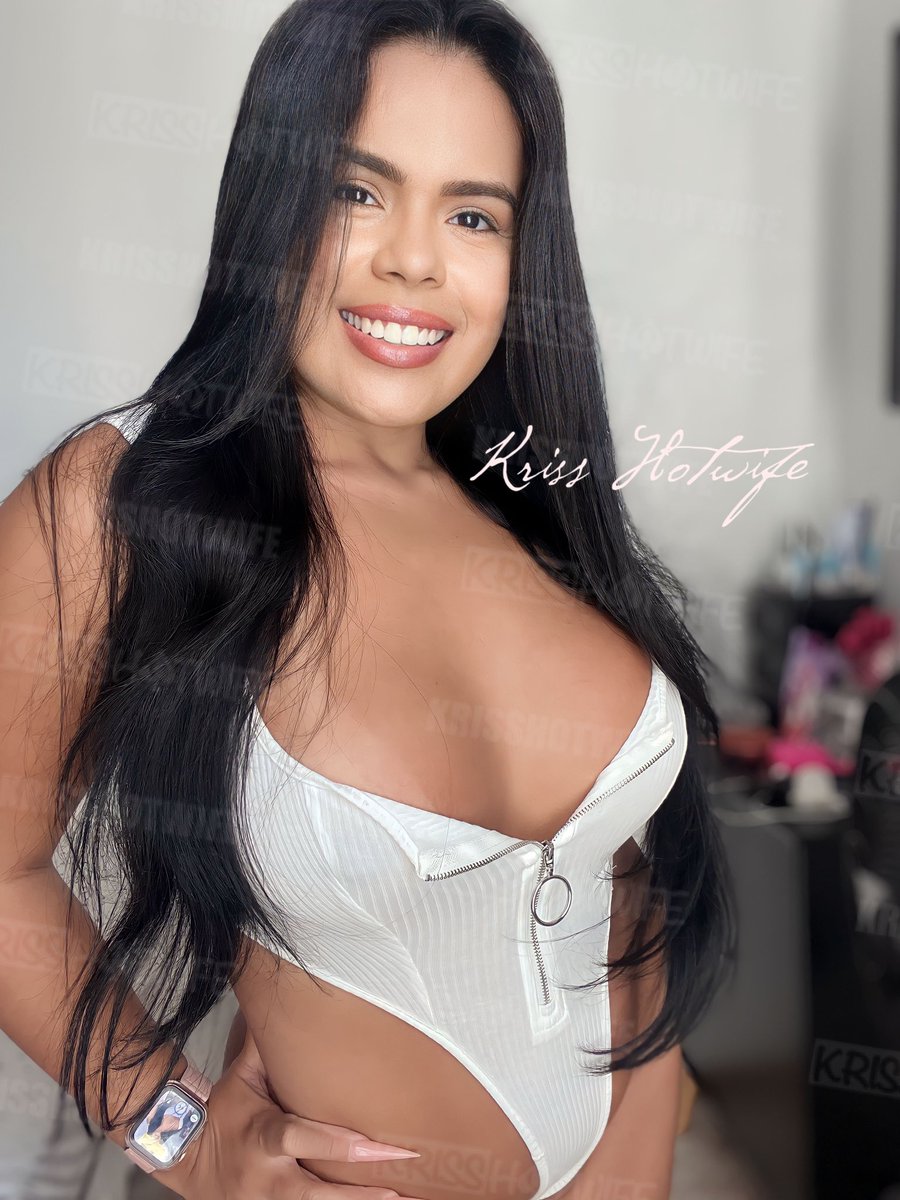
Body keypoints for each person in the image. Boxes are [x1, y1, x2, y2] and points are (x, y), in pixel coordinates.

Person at [0, 2, 735, 1199]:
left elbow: (617, 883)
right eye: (355, 191)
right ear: (270, 201)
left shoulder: (532, 499)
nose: (413, 260)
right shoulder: (122, 500)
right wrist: (181, 1137)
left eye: (472, 214)